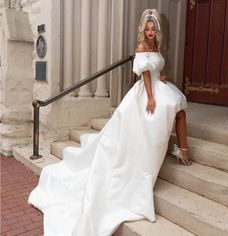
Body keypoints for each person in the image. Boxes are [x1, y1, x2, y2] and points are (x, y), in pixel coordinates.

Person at [28, 8, 192, 236]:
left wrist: (160, 79)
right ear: (143, 30)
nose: (151, 32)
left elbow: (154, 70)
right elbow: (144, 73)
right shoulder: (142, 46)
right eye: (148, 28)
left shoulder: (156, 47)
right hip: (146, 92)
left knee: (179, 107)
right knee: (153, 121)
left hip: (156, 86)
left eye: (153, 29)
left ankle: (183, 151)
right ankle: (147, 167)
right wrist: (152, 97)